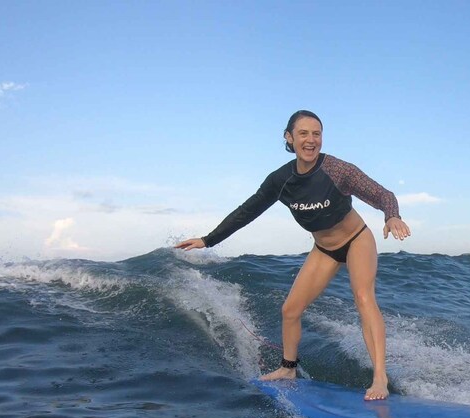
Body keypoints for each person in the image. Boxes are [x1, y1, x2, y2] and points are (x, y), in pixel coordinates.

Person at [175, 110, 411, 400]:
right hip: (324, 249)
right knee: (290, 310)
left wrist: (392, 216)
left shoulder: (337, 170)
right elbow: (247, 211)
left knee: (363, 297)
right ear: (289, 138)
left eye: (317, 134)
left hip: (356, 239)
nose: (311, 140)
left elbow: (382, 194)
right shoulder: (281, 180)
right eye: (303, 134)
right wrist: (208, 240)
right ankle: (288, 368)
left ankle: (379, 379)